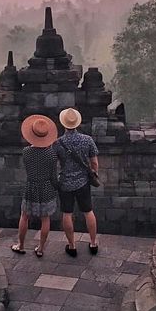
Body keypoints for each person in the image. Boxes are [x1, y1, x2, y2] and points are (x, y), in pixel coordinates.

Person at [11, 114, 59, 258]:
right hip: (46, 188)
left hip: (31, 187)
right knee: (45, 219)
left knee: (24, 216)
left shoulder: (26, 152)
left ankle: (20, 245)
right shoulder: (51, 154)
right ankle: (41, 248)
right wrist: (57, 186)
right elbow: (52, 176)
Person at [54, 107, 99, 257]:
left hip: (65, 182)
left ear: (63, 124)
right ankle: (93, 243)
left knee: (67, 213)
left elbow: (54, 162)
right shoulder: (87, 140)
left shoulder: (58, 143)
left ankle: (72, 245)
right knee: (88, 211)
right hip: (83, 182)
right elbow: (94, 162)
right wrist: (94, 173)